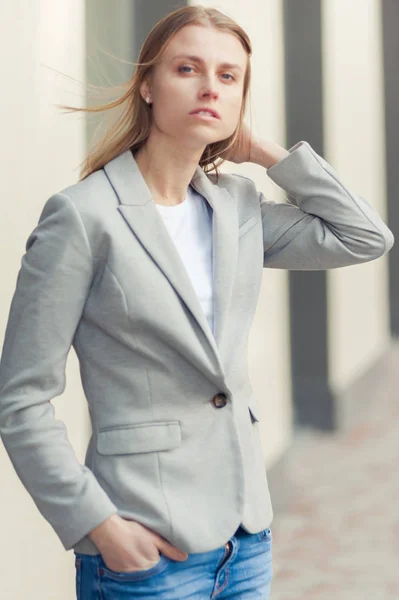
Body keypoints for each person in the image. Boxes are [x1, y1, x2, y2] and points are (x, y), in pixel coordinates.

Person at [0, 5, 394, 599]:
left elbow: (364, 236)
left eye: (229, 76)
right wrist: (96, 524)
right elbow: (22, 397)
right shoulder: (83, 217)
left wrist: (265, 152)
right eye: (188, 68)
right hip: (145, 550)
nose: (210, 86)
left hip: (246, 541)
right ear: (148, 85)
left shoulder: (236, 209)